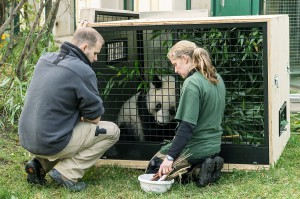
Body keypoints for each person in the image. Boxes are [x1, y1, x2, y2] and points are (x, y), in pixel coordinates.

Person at [18, 21, 120, 192]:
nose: (96, 58)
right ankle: (68, 173)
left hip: (27, 138)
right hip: (51, 142)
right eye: (95, 53)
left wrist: (80, 32)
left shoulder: (45, 60)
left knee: (64, 126)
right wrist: (81, 116)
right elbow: (94, 118)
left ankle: (39, 164)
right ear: (85, 47)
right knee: (112, 131)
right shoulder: (83, 71)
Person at [145, 40, 226, 187]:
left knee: (154, 167)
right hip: (215, 144)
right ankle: (204, 165)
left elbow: (187, 126)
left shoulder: (192, 83)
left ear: (185, 59)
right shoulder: (217, 77)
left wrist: (169, 157)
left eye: (175, 64)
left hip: (195, 146)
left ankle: (197, 171)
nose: (175, 70)